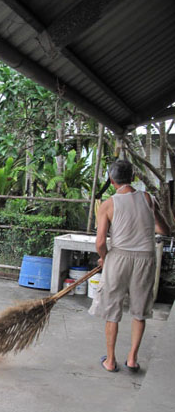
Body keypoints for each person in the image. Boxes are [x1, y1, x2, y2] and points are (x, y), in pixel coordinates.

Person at [89, 159, 170, 373]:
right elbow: (165, 230)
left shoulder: (108, 203)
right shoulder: (148, 198)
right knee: (139, 310)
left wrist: (104, 258)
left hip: (118, 258)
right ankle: (132, 359)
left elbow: (99, 243)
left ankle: (111, 360)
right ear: (133, 177)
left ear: (112, 180)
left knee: (112, 309)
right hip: (146, 257)